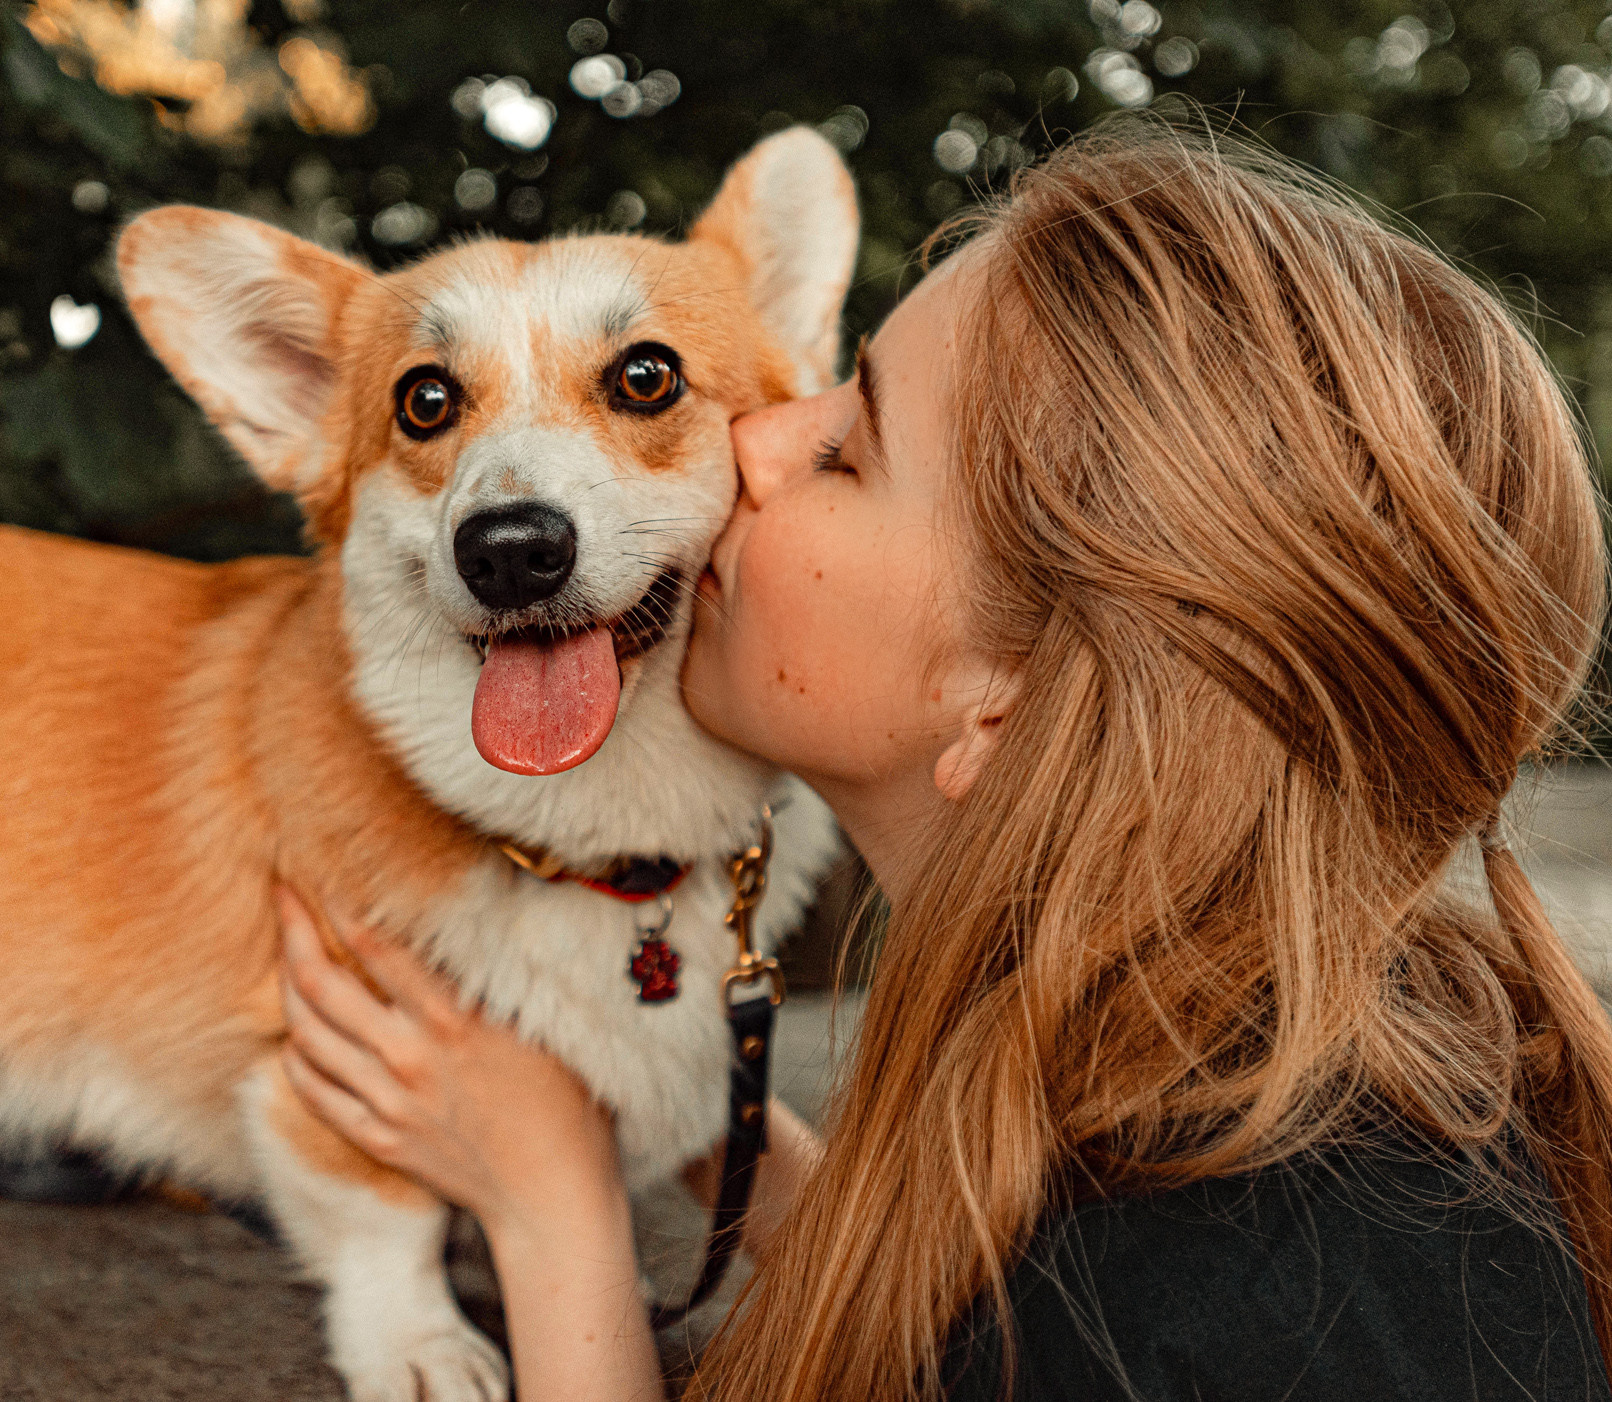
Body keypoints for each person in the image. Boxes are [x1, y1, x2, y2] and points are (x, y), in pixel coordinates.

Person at [272, 119, 1612, 1401]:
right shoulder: (1240, 1095)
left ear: (1005, 703)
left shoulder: (1218, 1299)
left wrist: (548, 1201)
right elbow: (959, 1306)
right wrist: (714, 1129)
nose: (756, 434)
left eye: (849, 449)